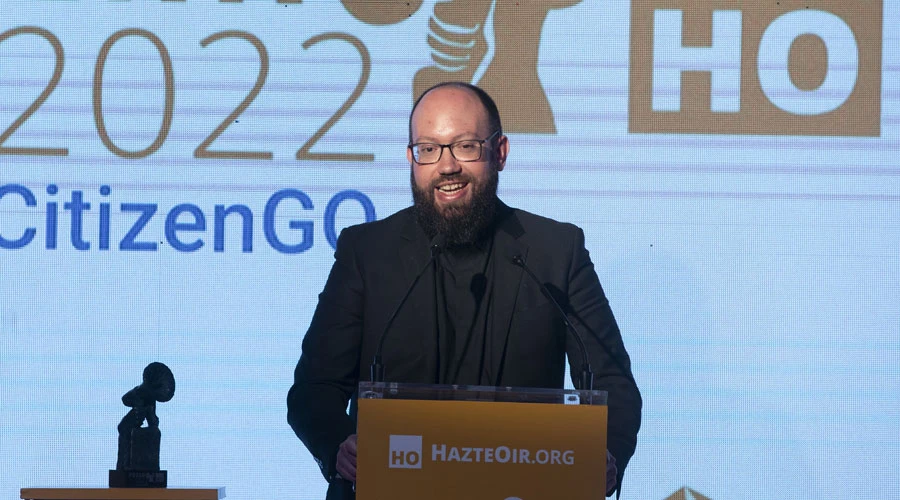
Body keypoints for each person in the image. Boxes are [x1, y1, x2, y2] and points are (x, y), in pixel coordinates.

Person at [287, 82, 641, 499]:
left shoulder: (554, 253)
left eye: (465, 146)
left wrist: (603, 454)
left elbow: (613, 383)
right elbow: (314, 389)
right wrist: (340, 447)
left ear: (500, 152)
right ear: (411, 159)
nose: (446, 166)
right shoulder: (367, 252)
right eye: (428, 149)